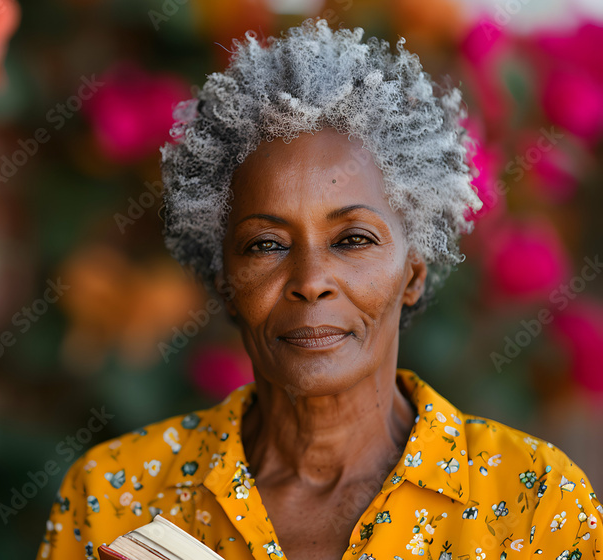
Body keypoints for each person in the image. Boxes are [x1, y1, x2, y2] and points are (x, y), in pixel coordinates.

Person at [38, 18, 602, 560]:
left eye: (353, 239)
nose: (310, 283)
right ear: (225, 284)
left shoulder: (534, 504)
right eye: (266, 245)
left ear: (413, 274)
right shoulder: (115, 496)